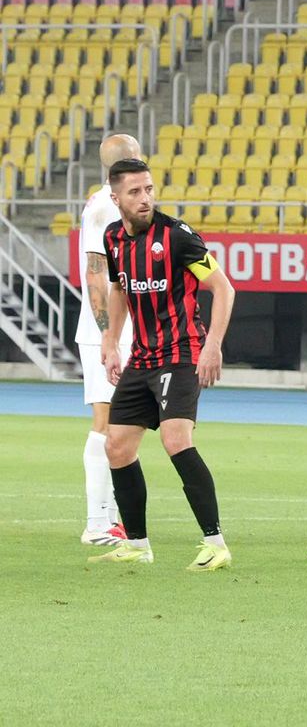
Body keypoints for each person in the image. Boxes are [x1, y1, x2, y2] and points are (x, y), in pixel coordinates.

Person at [88, 159, 237, 570]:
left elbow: (223, 289)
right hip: (142, 357)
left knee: (175, 439)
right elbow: (118, 290)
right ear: (115, 198)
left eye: (149, 189)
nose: (145, 198)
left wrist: (213, 345)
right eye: (135, 192)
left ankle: (216, 544)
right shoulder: (113, 237)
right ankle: (137, 544)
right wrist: (110, 340)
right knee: (116, 446)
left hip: (182, 353)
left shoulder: (177, 236)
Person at [75, 134, 139, 546]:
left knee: (123, 425)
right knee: (105, 424)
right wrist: (108, 335)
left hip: (122, 332)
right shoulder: (103, 209)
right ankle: (97, 524)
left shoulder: (109, 204)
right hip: (107, 335)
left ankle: (112, 518)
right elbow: (96, 273)